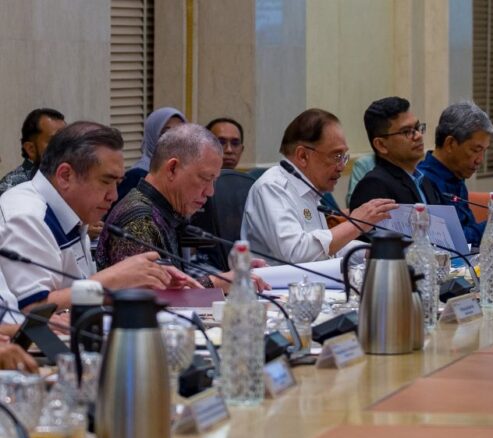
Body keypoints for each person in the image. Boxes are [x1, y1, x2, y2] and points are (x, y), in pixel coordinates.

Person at [0, 121, 189, 312]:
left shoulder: (70, 211)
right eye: (106, 181)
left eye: (117, 183)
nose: (114, 196)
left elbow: (77, 295)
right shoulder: (28, 217)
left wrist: (135, 281)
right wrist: (113, 279)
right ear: (65, 176)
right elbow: (32, 310)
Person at [97, 124, 268, 292]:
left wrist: (233, 274)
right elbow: (150, 299)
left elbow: (171, 286)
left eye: (214, 181)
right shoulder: (140, 220)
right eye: (205, 178)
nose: (210, 192)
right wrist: (219, 281)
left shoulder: (164, 210)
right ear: (172, 169)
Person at [242, 108, 397, 265]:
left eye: (344, 156)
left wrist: (369, 251)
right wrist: (355, 224)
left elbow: (325, 251)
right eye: (336, 156)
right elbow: (296, 253)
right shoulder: (272, 187)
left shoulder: (309, 190)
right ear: (303, 156)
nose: (342, 166)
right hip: (278, 281)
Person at [418, 101, 493, 245]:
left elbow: (469, 231)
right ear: (450, 144)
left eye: (484, 151)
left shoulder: (456, 175)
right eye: (476, 150)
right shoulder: (423, 181)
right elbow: (449, 242)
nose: (480, 160)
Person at [349, 97, 441, 210]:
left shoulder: (424, 181)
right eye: (406, 131)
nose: (418, 136)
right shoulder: (374, 186)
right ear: (381, 145)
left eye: (417, 127)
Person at [115, 107, 186, 204]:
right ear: (152, 135)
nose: (175, 139)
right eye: (167, 133)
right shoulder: (137, 176)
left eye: (180, 132)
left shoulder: (181, 173)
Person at [0, 108, 66, 197]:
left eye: (67, 140)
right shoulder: (11, 189)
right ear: (31, 149)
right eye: (55, 141)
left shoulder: (69, 180)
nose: (65, 147)